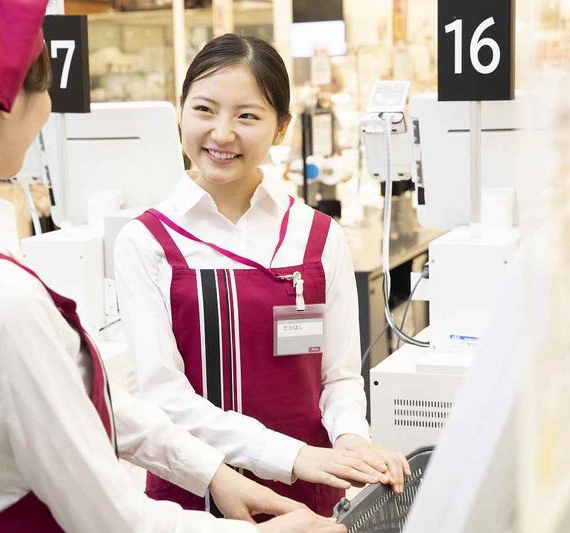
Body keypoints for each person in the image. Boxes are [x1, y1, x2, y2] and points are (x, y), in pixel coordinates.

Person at [0, 2, 346, 532]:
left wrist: (211, 473)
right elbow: (109, 518)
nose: (50, 108)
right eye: (45, 89)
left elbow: (72, 401)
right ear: (5, 104)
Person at [114, 33, 411, 517]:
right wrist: (292, 456)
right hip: (193, 502)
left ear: (281, 128)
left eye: (247, 116)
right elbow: (165, 398)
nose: (222, 133)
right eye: (204, 109)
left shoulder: (317, 235)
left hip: (310, 496)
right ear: (180, 112)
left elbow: (338, 377)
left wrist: (351, 439)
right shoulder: (146, 241)